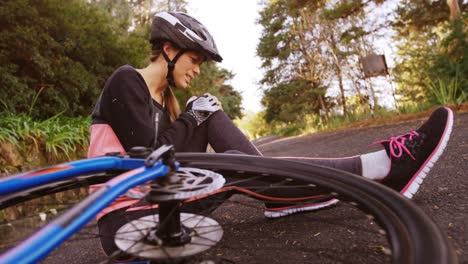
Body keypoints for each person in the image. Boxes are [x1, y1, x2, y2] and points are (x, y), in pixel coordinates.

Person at [88, 11, 454, 258]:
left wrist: (194, 114)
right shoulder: (127, 80)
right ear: (168, 50)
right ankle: (380, 168)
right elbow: (150, 158)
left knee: (209, 113)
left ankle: (279, 188)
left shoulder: (165, 100)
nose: (197, 69)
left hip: (157, 206)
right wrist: (189, 116)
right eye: (195, 60)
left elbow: (179, 158)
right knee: (225, 160)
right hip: (128, 222)